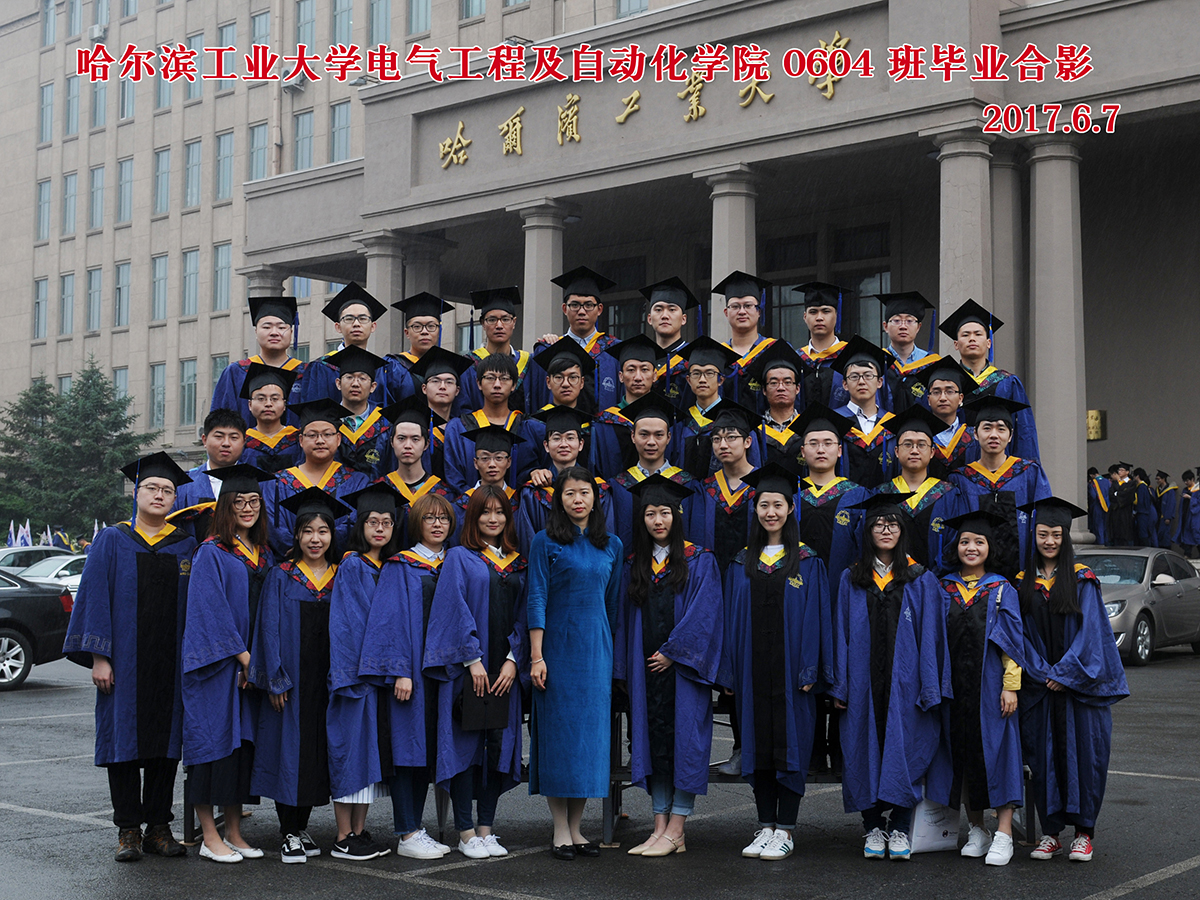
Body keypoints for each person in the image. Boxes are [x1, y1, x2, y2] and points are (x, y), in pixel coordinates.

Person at [63, 452, 197, 862]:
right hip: (124, 662)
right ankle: (128, 831)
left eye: (167, 490)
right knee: (122, 745)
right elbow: (94, 597)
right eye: (152, 488)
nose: (159, 495)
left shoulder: (185, 545)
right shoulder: (112, 539)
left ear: (175, 498)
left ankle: (158, 827)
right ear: (136, 493)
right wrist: (99, 657)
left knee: (165, 747)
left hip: (170, 663)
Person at [719, 463, 832, 862]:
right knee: (758, 749)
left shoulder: (808, 561)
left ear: (790, 508)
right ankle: (765, 825)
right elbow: (730, 619)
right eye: (764, 505)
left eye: (778, 505)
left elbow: (818, 618)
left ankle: (786, 830)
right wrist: (729, 671)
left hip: (791, 674)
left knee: (790, 749)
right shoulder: (741, 563)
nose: (771, 512)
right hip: (752, 671)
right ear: (756, 509)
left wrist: (810, 668)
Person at [831, 493, 952, 863]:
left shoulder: (920, 579)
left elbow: (932, 637)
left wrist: (930, 685)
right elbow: (840, 634)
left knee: (906, 749)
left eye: (893, 524)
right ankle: (872, 826)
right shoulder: (851, 578)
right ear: (867, 531)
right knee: (861, 750)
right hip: (863, 683)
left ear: (902, 531)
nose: (886, 530)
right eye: (878, 524)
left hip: (906, 684)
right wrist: (840, 684)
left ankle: (899, 825)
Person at [1016, 497, 1129, 863]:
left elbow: (1093, 634)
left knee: (1084, 757)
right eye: (1043, 534)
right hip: (1041, 688)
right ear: (1034, 535)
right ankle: (1051, 834)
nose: (1049, 541)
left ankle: (1084, 833)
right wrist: (1042, 672)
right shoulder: (1022, 583)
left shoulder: (1083, 579)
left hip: (1079, 688)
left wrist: (1066, 674)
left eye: (1056, 534)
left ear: (1066, 537)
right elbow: (1018, 635)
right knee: (1043, 760)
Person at [616, 475, 723, 857]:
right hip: (646, 674)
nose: (657, 520)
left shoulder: (699, 560)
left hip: (683, 673)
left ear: (677, 515)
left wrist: (673, 652)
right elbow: (624, 620)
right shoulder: (635, 564)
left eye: (664, 512)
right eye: (650, 513)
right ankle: (659, 826)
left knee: (685, 744)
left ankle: (678, 827)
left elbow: (705, 614)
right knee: (654, 746)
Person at [422, 486, 528, 859]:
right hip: (470, 670)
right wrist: (472, 658)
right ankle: (465, 832)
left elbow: (526, 613)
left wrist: (514, 659)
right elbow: (453, 607)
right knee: (466, 748)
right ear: (473, 517)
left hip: (504, 670)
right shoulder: (459, 557)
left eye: (500, 512)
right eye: (485, 512)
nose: (493, 518)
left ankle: (486, 829)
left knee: (497, 747)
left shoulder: (517, 562)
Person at [526, 467, 624, 859]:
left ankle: (579, 829)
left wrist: (608, 652)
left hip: (595, 653)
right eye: (569, 493)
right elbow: (536, 597)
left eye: (584, 492)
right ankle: (560, 829)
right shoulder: (544, 541)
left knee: (588, 742)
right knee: (559, 738)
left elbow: (612, 604)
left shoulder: (612, 545)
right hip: (556, 650)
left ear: (595, 498)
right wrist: (537, 656)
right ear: (559, 500)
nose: (578, 499)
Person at [182, 463, 276, 864]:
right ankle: (209, 836)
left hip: (248, 669)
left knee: (240, 752)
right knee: (212, 749)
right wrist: (244, 658)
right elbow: (210, 612)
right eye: (239, 501)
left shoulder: (263, 554)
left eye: (254, 500)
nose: (248, 507)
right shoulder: (211, 552)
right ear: (225, 506)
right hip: (217, 669)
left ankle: (234, 832)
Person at [249, 487, 349, 863]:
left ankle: (301, 826)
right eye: (308, 531)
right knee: (288, 752)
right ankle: (288, 830)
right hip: (292, 681)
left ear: (332, 535)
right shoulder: (282, 575)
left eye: (323, 531)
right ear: (296, 535)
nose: (315, 539)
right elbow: (268, 628)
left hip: (326, 681)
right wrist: (274, 678)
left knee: (315, 754)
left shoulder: (341, 576)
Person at [358, 492, 457, 860]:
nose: (437, 524)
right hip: (412, 673)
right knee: (408, 749)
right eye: (429, 518)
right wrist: (399, 670)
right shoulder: (400, 566)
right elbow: (389, 620)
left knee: (429, 750)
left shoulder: (454, 562)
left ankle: (417, 828)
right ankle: (407, 831)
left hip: (445, 674)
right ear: (416, 523)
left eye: (443, 518)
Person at [936, 510, 1025, 867]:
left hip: (990, 687)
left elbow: (1012, 641)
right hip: (954, 688)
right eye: (964, 542)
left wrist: (1010, 686)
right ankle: (977, 828)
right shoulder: (943, 587)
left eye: (978, 542)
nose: (971, 548)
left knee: (999, 755)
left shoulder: (1001, 589)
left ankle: (1004, 833)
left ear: (990, 548)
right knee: (962, 754)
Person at [326, 482, 407, 861]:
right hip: (356, 679)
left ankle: (359, 832)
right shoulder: (352, 565)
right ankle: (343, 835)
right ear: (360, 526)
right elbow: (349, 626)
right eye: (372, 522)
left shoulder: (392, 566)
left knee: (370, 760)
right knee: (351, 756)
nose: (380, 528)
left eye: (387, 522)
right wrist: (358, 675)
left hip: (379, 680)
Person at [950, 394, 1051, 579]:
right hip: (975, 580)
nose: (994, 435)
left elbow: (1045, 521)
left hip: (1024, 576)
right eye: (987, 428)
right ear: (975, 434)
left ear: (1010, 436)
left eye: (1001, 429)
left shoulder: (1029, 473)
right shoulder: (962, 479)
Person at [939, 299, 1039, 462]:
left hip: (998, 464)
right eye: (965, 335)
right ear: (956, 344)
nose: (972, 339)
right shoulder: (945, 384)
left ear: (988, 343)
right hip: (954, 463)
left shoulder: (1008, 383)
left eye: (978, 334)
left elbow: (1024, 431)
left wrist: (1023, 470)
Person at [268, 399, 369, 556]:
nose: (320, 440)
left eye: (327, 434)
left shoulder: (357, 482)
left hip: (340, 565)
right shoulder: (277, 483)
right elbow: (273, 526)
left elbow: (356, 524)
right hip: (291, 566)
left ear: (338, 439)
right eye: (312, 435)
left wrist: (323, 545)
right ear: (301, 440)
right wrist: (301, 549)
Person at [877, 405, 968, 575]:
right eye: (908, 444)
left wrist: (932, 578)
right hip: (889, 582)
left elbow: (956, 541)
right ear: (896, 451)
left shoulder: (948, 495)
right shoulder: (882, 494)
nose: (914, 451)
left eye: (921, 445)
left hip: (936, 581)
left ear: (932, 452)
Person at [607, 392, 701, 551]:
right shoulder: (618, 486)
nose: (651, 442)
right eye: (644, 434)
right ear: (633, 436)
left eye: (659, 435)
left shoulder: (687, 484)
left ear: (668, 438)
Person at [294, 282, 413, 408]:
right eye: (349, 319)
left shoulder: (385, 370)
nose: (356, 324)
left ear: (373, 326)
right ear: (338, 327)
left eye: (363, 319)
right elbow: (313, 412)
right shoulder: (321, 368)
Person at [517, 406, 614, 555]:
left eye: (570, 438)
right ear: (546, 446)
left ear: (580, 444)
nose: (563, 444)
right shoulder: (532, 494)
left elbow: (607, 542)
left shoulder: (599, 491)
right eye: (556, 438)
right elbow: (529, 544)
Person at [529, 266, 621, 413]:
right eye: (575, 305)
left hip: (600, 427)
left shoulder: (614, 350)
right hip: (558, 426)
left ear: (599, 309)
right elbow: (537, 397)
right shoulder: (548, 349)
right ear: (565, 309)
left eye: (589, 305)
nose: (582, 311)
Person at [443, 352, 538, 495]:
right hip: (470, 505)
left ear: (514, 385)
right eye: (490, 378)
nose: (497, 385)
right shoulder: (459, 428)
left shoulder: (527, 427)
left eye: (504, 378)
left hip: (516, 505)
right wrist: (479, 502)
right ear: (479, 383)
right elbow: (454, 477)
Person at [374, 396, 457, 550]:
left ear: (426, 444)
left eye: (415, 439)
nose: (408, 445)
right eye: (401, 438)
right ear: (392, 442)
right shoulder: (379, 490)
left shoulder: (443, 493)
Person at [211, 295, 305, 429]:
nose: (274, 332)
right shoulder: (236, 372)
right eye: (266, 327)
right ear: (256, 332)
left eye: (281, 327)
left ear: (291, 332)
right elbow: (220, 420)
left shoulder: (307, 374)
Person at [668, 336, 747, 477]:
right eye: (696, 373)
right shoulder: (680, 423)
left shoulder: (736, 421)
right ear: (688, 380)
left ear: (721, 379)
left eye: (710, 373)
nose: (702, 380)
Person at [593, 334, 664, 478]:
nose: (638, 377)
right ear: (620, 376)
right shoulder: (604, 423)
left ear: (655, 376)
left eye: (644, 369)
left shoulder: (668, 419)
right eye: (631, 370)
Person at [832, 337, 897, 488]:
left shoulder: (892, 423)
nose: (861, 381)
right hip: (845, 499)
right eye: (854, 376)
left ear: (879, 382)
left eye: (868, 375)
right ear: (845, 384)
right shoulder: (833, 421)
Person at [458, 286, 533, 414]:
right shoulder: (468, 365)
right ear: (483, 323)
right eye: (492, 320)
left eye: (505, 319)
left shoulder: (528, 362)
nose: (499, 325)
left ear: (514, 322)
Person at [387, 291, 463, 416]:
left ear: (439, 330)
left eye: (431, 326)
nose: (424, 332)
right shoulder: (393, 367)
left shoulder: (451, 367)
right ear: (407, 333)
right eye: (417, 326)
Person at [403, 347, 475, 478]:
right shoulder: (413, 428)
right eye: (435, 381)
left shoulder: (465, 430)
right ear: (424, 388)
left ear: (457, 391)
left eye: (449, 382)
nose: (442, 386)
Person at [170, 408, 247, 530]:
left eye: (234, 437)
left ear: (244, 442)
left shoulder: (258, 482)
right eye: (219, 436)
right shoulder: (184, 484)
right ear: (204, 440)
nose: (226, 443)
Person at [713, 270, 777, 412]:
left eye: (748, 306)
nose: (742, 311)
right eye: (735, 306)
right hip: (724, 425)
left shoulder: (773, 350)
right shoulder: (717, 355)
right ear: (726, 312)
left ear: (759, 311)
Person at [526, 336, 596, 464]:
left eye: (573, 377)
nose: (565, 384)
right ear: (548, 382)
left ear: (582, 382)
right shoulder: (533, 425)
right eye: (559, 377)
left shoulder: (593, 426)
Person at [451, 424, 524, 544]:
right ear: (475, 463)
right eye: (485, 458)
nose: (492, 464)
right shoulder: (461, 505)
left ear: (509, 462)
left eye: (499, 458)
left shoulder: (520, 502)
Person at [327, 345, 392, 476]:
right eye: (349, 377)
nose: (355, 384)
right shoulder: (326, 420)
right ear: (338, 384)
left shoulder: (386, 423)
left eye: (362, 378)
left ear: (373, 387)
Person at [744, 341, 808, 470]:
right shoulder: (754, 430)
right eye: (773, 383)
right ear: (764, 390)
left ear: (797, 388)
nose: (781, 388)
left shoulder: (808, 427)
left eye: (787, 382)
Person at [878, 291, 939, 414]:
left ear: (918, 327)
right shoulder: (877, 361)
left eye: (910, 321)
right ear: (885, 326)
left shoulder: (932, 364)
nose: (903, 326)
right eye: (896, 320)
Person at [918, 358, 979, 479]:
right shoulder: (920, 436)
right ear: (929, 400)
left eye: (949, 391)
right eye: (936, 392)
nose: (943, 398)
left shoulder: (974, 437)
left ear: (960, 398)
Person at [644, 277, 699, 408]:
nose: (665, 315)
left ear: (683, 319)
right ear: (649, 319)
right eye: (658, 309)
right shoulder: (641, 358)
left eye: (672, 309)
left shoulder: (693, 358)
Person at [793, 282, 849, 408]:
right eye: (813, 312)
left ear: (837, 315)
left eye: (826, 311)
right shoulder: (796, 359)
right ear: (805, 317)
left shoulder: (849, 356)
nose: (819, 318)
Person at [239, 363, 303, 474]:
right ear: (250, 405)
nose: (268, 404)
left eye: (275, 399)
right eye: (261, 398)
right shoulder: (243, 441)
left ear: (284, 405)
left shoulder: (297, 439)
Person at [1106, 462, 1136, 547]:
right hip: (1115, 512)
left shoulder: (1131, 483)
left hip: (1125, 512)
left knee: (1125, 533)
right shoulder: (1115, 483)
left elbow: (1128, 496)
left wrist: (1117, 494)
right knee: (1116, 533)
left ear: (1127, 472)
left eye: (1122, 470)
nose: (1120, 472)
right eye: (1119, 470)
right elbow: (1111, 495)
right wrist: (1119, 494)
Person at [1131, 468, 1159, 547]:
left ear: (1137, 476)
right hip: (1144, 513)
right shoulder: (1144, 486)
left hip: (1142, 513)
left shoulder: (1142, 487)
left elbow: (1141, 501)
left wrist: (1135, 511)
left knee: (1143, 534)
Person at [1154, 470, 1180, 549]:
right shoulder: (1158, 490)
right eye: (1156, 479)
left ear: (1163, 479)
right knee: (1159, 534)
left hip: (1165, 516)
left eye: (1158, 479)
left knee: (1165, 534)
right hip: (1158, 515)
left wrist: (1168, 517)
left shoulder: (1169, 491)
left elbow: (1171, 504)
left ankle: (1167, 549)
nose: (1157, 481)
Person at [1086, 467, 1110, 547]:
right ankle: (1107, 543)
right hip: (1107, 507)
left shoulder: (1093, 483)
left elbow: (1093, 496)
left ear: (1091, 475)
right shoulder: (1107, 481)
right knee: (1106, 527)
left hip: (1097, 507)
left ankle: (1101, 544)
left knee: (1099, 527)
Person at [1180, 470, 1200, 557]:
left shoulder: (1197, 490)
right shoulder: (1185, 490)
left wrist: (1190, 498)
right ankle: (1187, 554)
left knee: (1196, 534)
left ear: (1193, 479)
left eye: (1187, 480)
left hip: (1196, 516)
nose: (1186, 482)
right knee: (1187, 535)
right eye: (1184, 481)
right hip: (1187, 516)